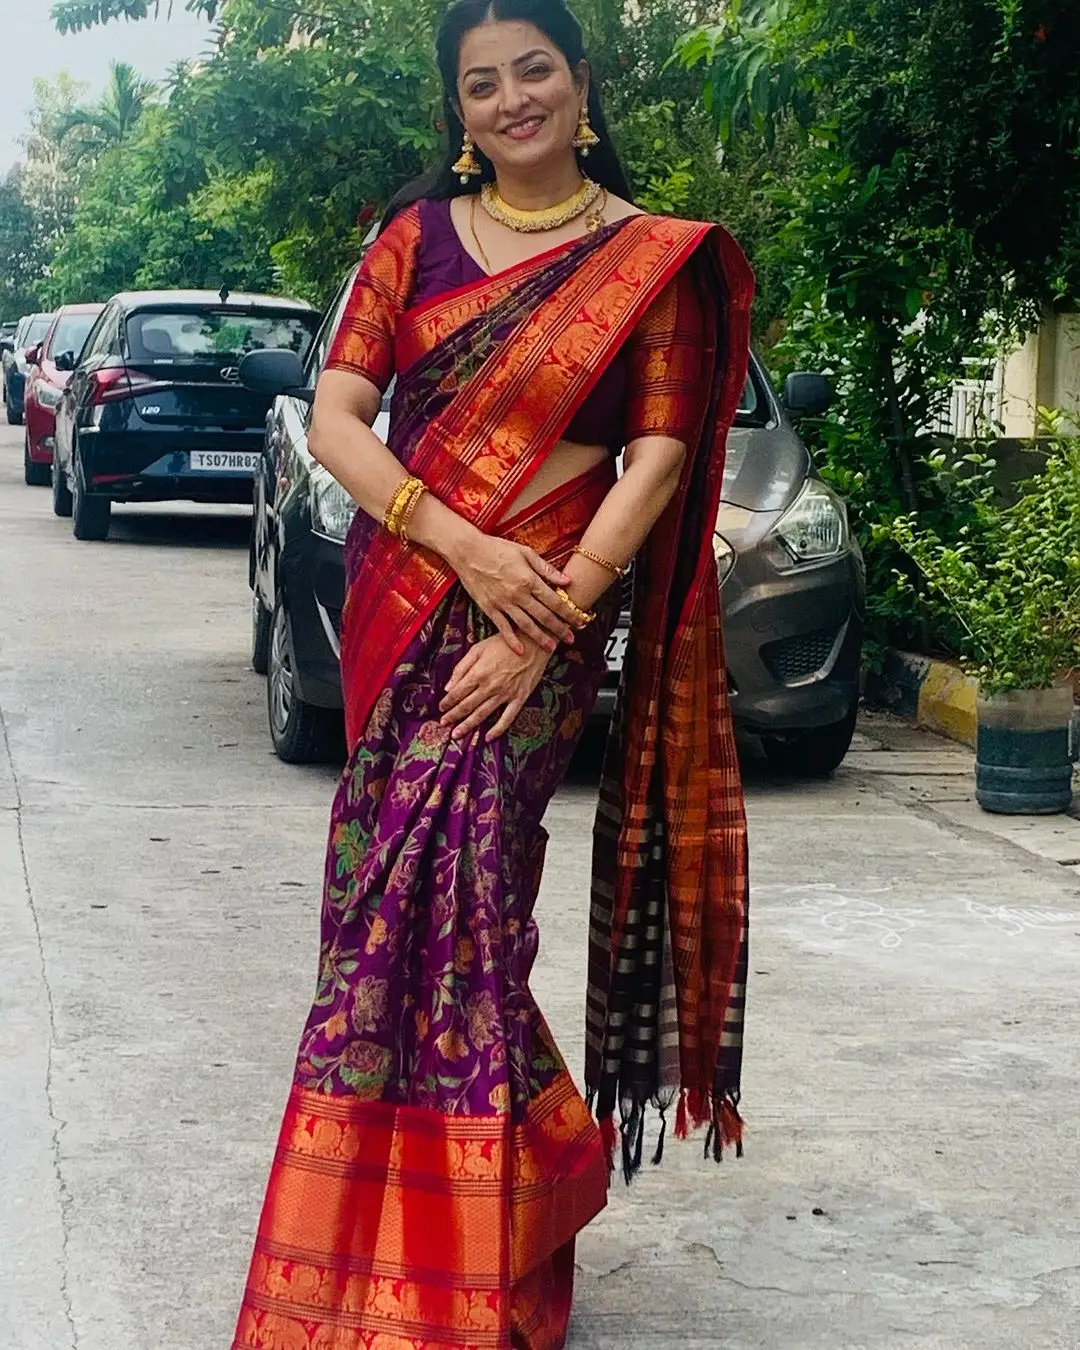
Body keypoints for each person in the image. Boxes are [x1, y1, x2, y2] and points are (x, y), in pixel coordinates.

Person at [232, 1, 752, 1346]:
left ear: (582, 83)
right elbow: (340, 419)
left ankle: (478, 1270)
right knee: (376, 928)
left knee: (468, 922)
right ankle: (452, 1210)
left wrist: (550, 615)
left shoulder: (650, 259)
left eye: (534, 72)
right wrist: (460, 546)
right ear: (457, 109)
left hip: (539, 629)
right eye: (481, 83)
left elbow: (658, 457)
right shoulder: (411, 241)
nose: (511, 99)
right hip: (415, 600)